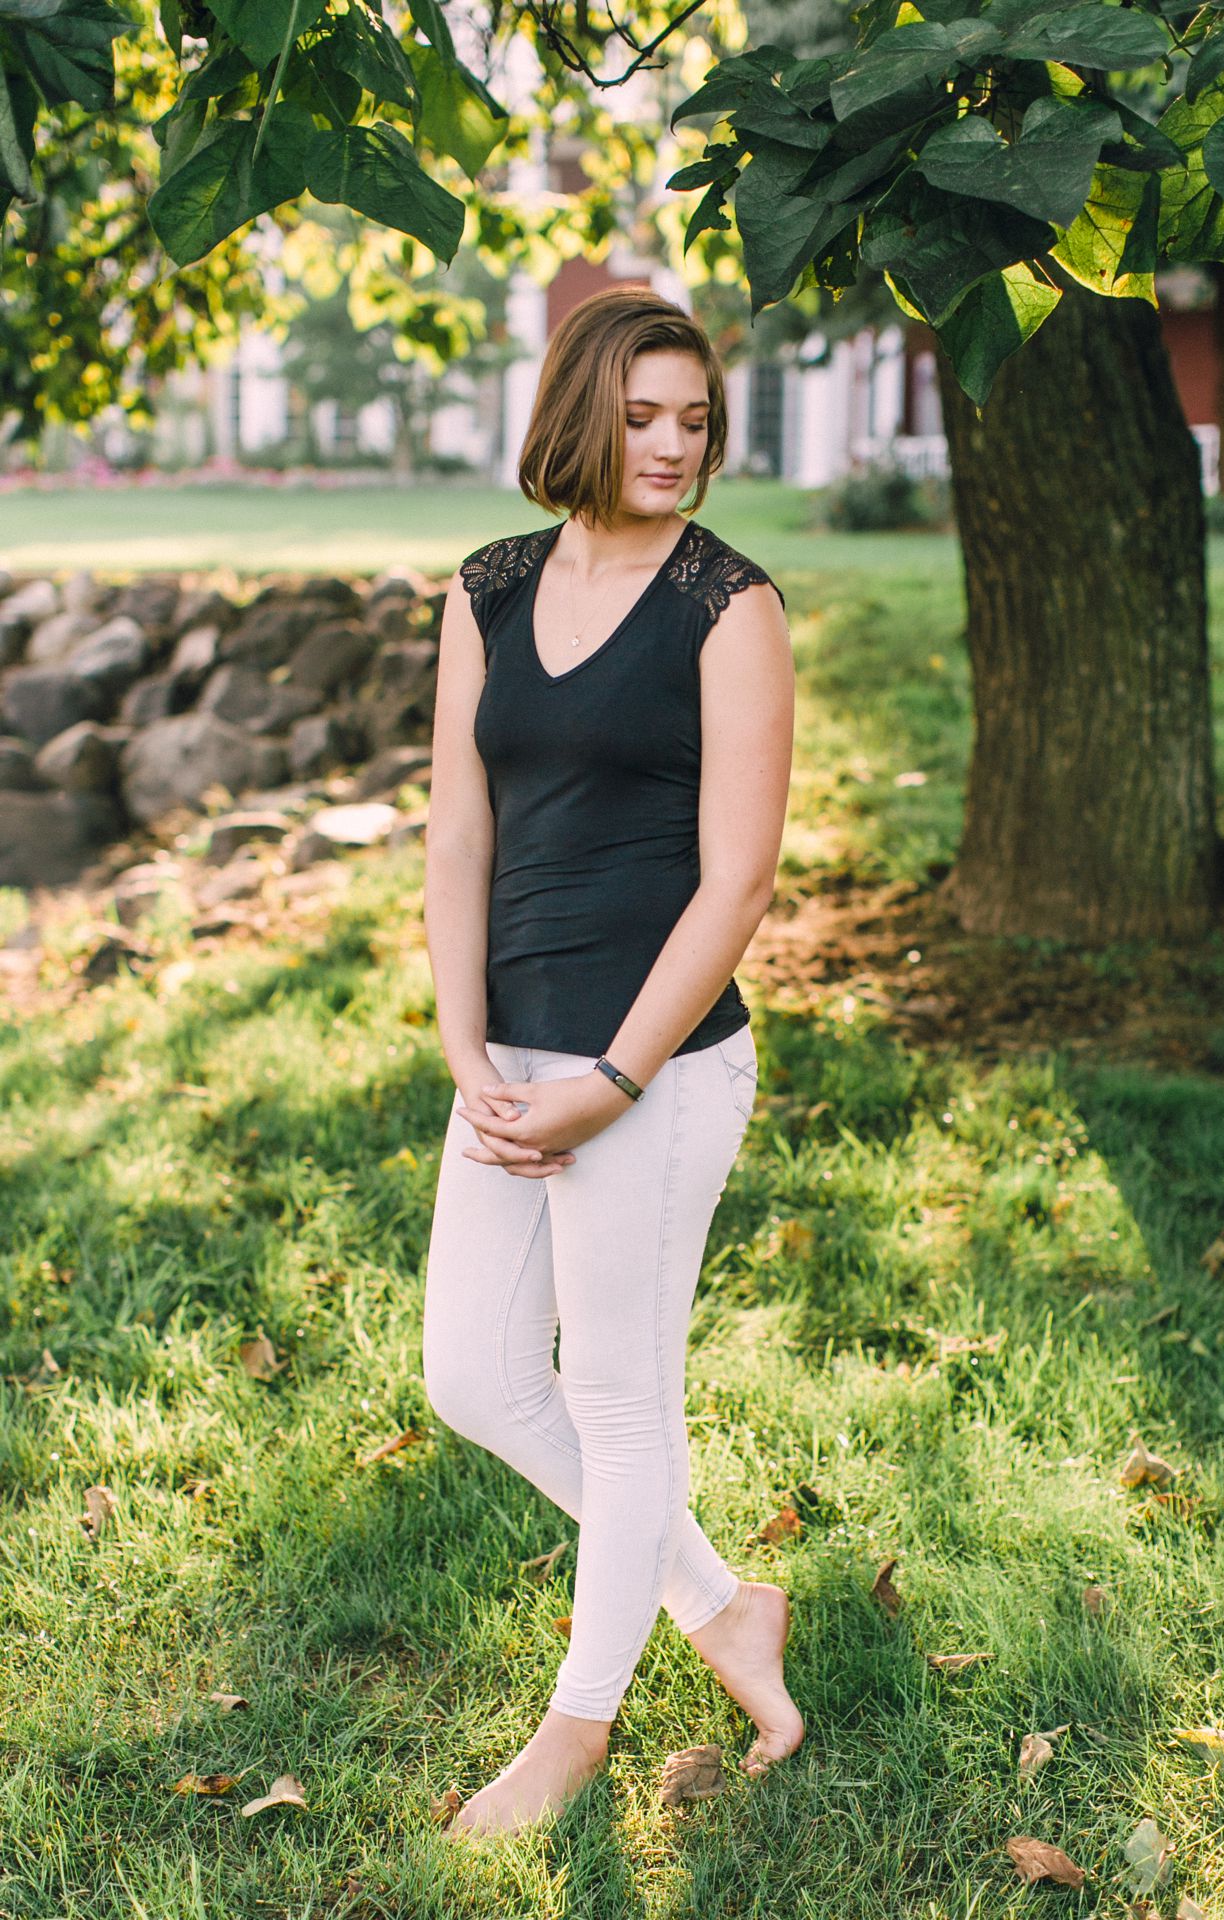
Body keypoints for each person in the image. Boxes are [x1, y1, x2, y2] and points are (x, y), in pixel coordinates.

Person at [421, 285, 800, 1839]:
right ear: (578, 413)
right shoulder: (490, 587)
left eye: (694, 419)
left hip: (657, 1064)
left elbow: (740, 884)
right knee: (475, 1380)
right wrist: (467, 1049)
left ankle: (577, 1732)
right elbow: (459, 825)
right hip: (509, 1057)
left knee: (620, 1397)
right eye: (643, 415)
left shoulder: (732, 603)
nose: (673, 444)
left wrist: (619, 1079)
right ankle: (722, 1603)